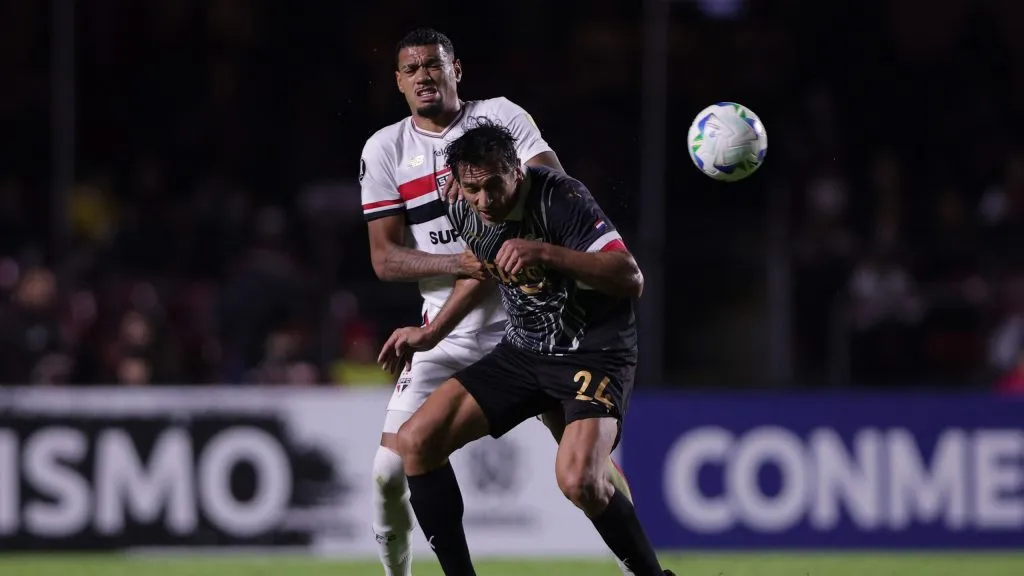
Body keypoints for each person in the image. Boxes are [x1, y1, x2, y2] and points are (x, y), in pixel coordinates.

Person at [360, 28, 635, 576]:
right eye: (411, 69)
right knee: (388, 472)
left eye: (433, 65)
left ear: (456, 69)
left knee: (588, 469)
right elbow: (385, 259)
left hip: (534, 319)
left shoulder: (503, 116)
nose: (423, 77)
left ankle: (641, 567)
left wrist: (506, 258)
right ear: (398, 81)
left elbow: (554, 197)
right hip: (447, 328)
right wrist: (457, 264)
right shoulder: (385, 149)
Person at [380, 120, 673, 576]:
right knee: (416, 441)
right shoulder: (463, 208)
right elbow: (483, 271)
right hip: (523, 351)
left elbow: (630, 276)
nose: (484, 200)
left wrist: (545, 253)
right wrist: (432, 333)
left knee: (580, 481)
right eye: (472, 188)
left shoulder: (562, 197)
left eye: (493, 185)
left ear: (516, 169)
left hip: (593, 351)